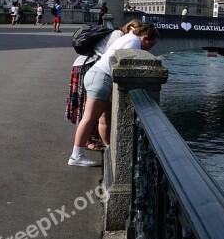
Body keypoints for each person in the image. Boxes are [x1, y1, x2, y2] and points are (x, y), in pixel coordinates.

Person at [68, 22, 159, 167]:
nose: (150, 48)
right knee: (89, 119)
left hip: (97, 76)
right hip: (101, 78)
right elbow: (128, 64)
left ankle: (106, 148)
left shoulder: (129, 37)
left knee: (102, 118)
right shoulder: (134, 42)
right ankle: (76, 156)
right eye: (151, 44)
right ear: (145, 37)